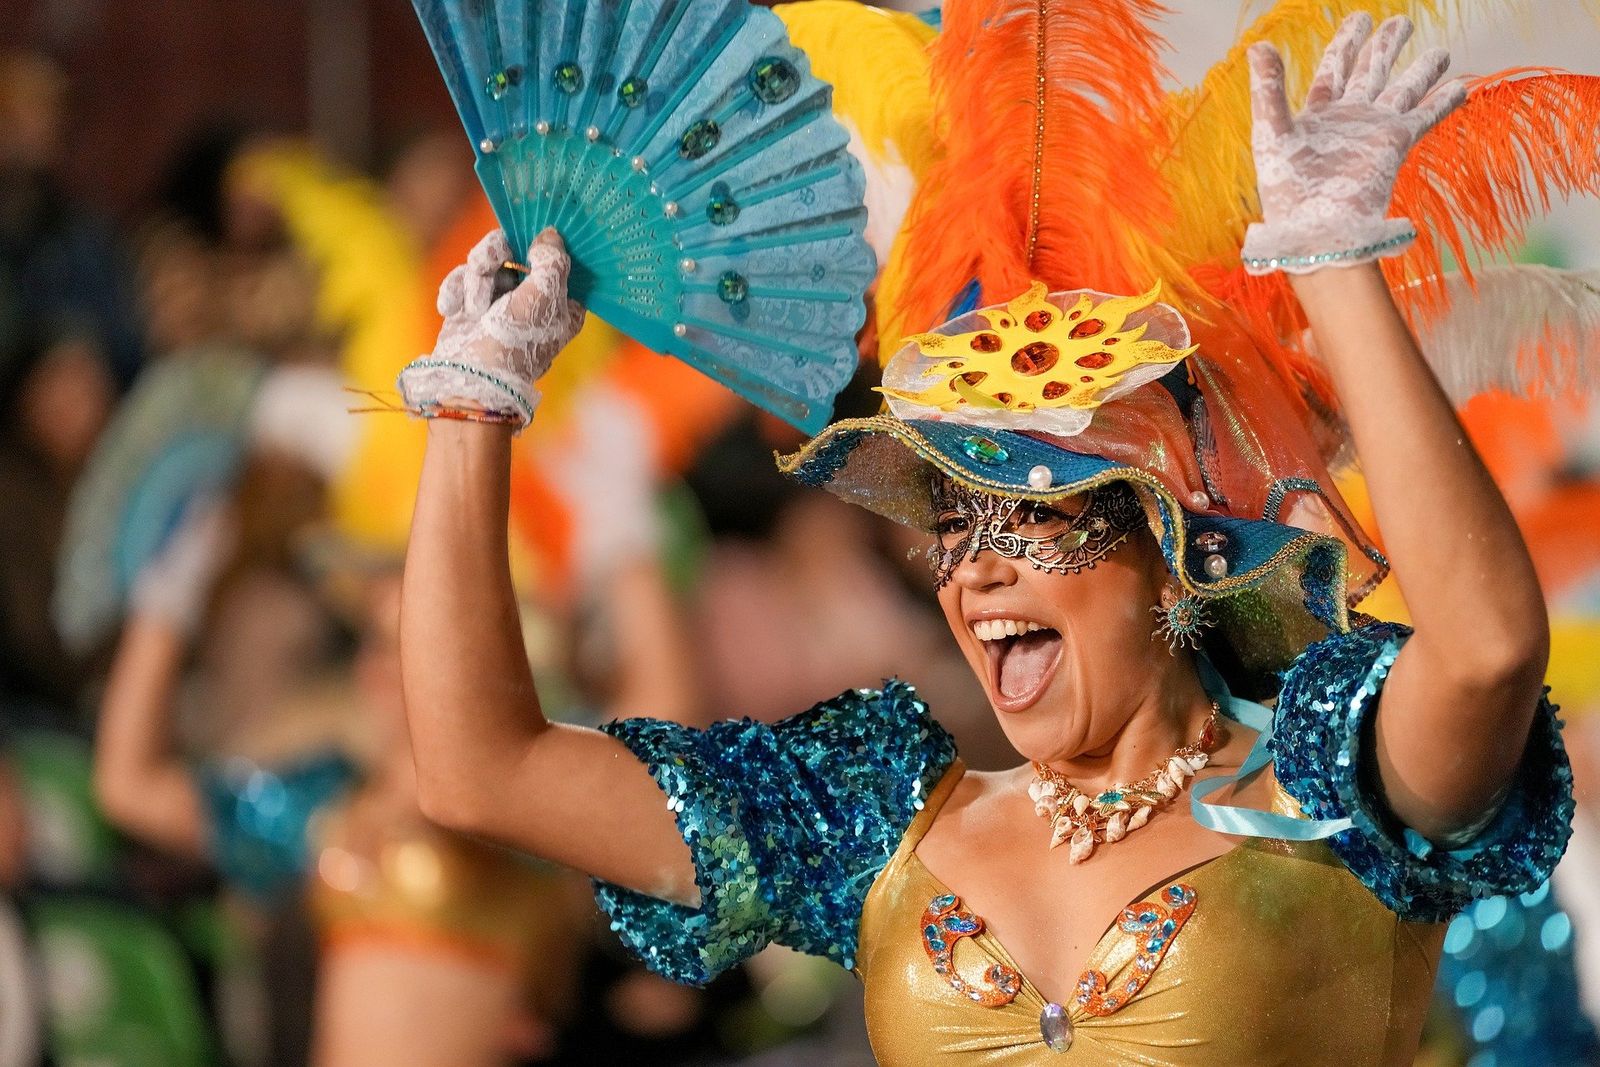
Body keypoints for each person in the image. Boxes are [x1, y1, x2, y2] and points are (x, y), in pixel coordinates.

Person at [395, 11, 1576, 1064]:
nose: (980, 568)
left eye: (1042, 516)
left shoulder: (1329, 789)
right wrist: (472, 406)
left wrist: (1330, 265)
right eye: (955, 523)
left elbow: (1480, 650)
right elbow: (482, 768)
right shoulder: (875, 829)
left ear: (1167, 546)